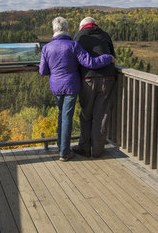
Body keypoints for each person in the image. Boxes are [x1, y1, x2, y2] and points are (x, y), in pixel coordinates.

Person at [39, 17, 114, 162]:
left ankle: (61, 146)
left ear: (54, 30)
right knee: (66, 116)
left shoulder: (46, 48)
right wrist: (108, 58)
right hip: (71, 86)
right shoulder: (73, 46)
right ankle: (64, 152)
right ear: (66, 29)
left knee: (62, 115)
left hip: (56, 86)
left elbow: (43, 71)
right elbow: (90, 62)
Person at [72, 17, 116, 158]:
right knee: (101, 115)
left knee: (86, 114)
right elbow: (113, 56)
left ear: (81, 26)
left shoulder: (79, 36)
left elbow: (74, 59)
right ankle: (97, 150)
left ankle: (84, 148)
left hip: (88, 79)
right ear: (94, 24)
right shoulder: (105, 34)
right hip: (108, 78)